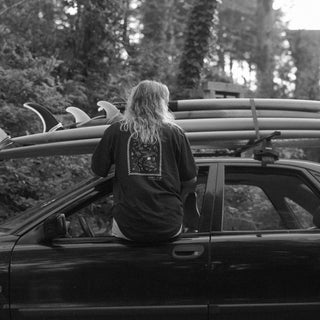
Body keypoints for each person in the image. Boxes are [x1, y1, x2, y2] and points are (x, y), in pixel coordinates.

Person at [91, 80, 197, 242]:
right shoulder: (176, 133)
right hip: (168, 223)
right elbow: (190, 181)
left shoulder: (115, 131)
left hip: (128, 224)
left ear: (133, 102)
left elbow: (97, 171)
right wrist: (177, 202)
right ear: (162, 104)